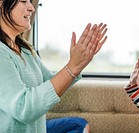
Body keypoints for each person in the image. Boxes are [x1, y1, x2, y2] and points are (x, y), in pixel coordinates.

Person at [0, 0, 107, 133]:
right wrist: (72, 66)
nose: (31, 8)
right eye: (23, 1)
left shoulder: (25, 49)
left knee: (79, 124)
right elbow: (24, 108)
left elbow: (50, 80)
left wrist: (78, 64)